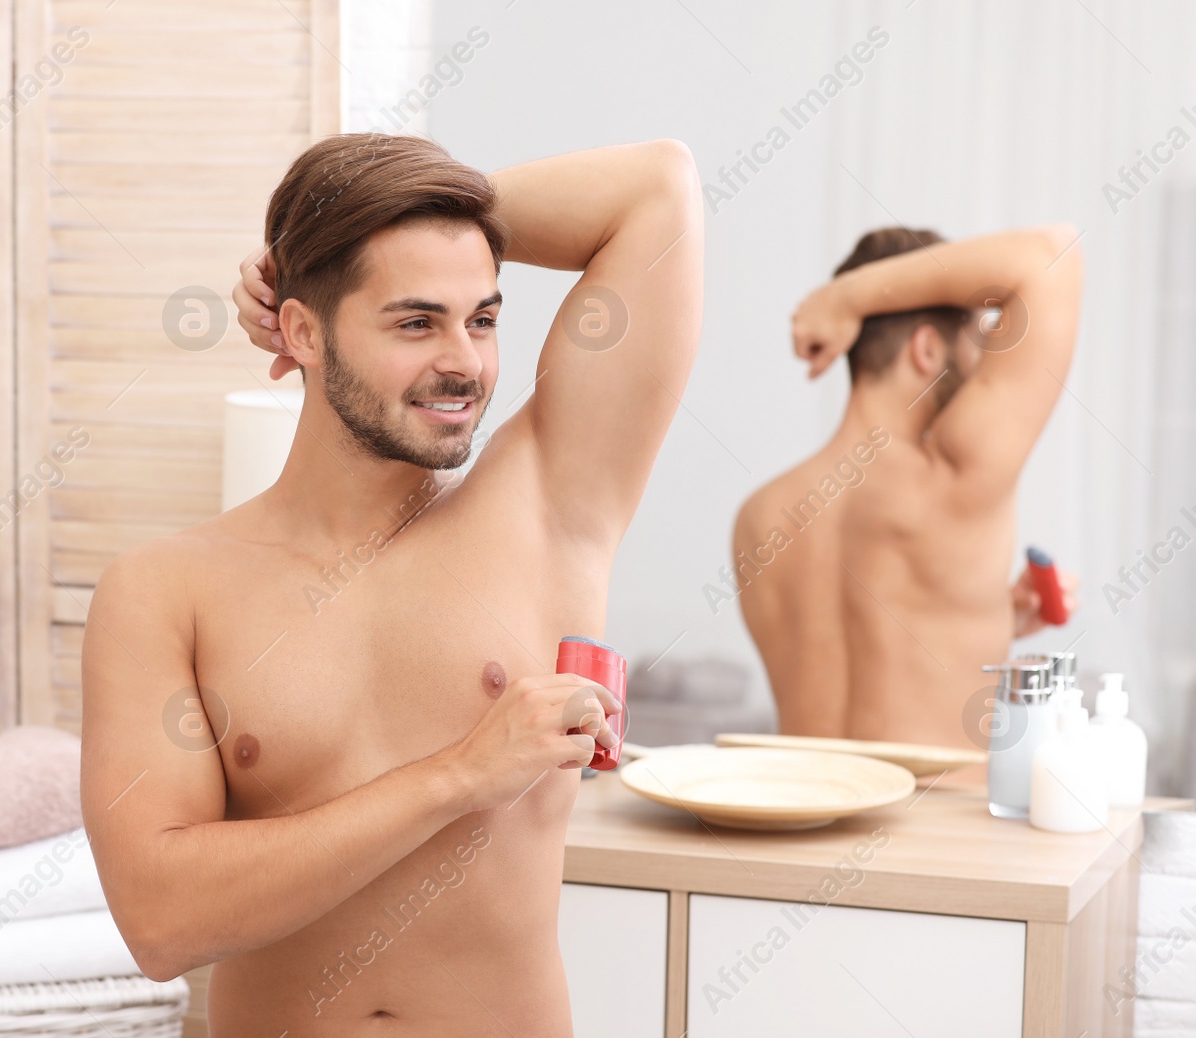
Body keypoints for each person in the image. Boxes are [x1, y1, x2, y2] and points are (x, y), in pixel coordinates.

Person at [79, 133, 701, 1035]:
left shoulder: (550, 500)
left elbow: (660, 191)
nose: (465, 363)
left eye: (482, 319)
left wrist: (372, 225)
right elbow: (162, 921)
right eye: (417, 322)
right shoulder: (164, 592)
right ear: (301, 331)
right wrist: (458, 777)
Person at [734, 226, 1082, 749]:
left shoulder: (760, 516)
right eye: (977, 341)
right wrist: (845, 298)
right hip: (937, 826)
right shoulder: (954, 475)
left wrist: (989, 615)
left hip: (799, 817)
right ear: (926, 349)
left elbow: (861, 656)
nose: (984, 359)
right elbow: (1052, 256)